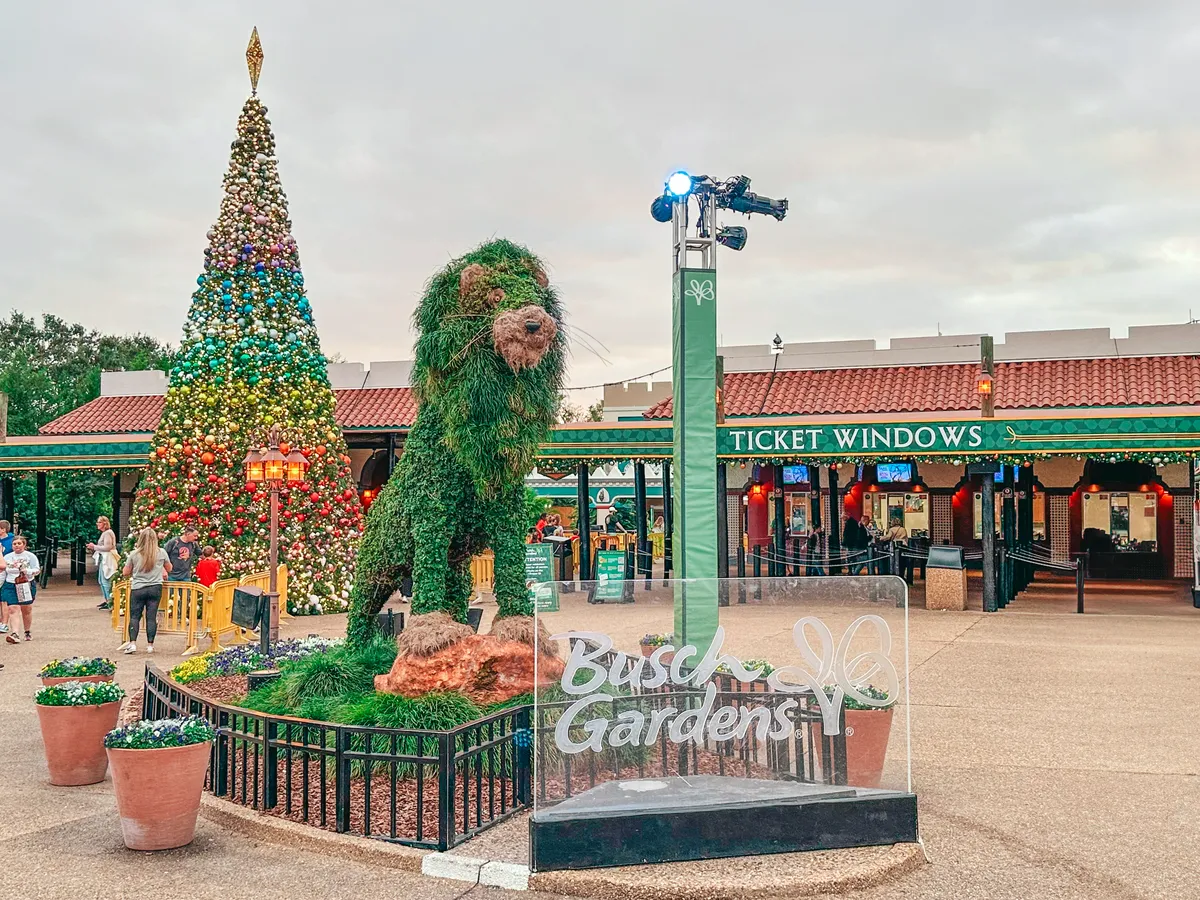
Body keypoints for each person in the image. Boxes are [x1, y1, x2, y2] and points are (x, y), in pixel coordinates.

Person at [119, 528, 171, 655]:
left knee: (135, 616)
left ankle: (132, 644)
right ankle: (150, 645)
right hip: (155, 587)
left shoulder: (134, 554)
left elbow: (125, 572)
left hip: (138, 587)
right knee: (151, 616)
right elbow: (169, 568)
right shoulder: (161, 552)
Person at [3, 536, 42, 643]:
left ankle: (27, 631)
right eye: (14, 544)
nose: (17, 546)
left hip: (26, 583)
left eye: (19, 543)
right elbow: (3, 571)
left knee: (26, 609)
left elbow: (37, 570)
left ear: (24, 545)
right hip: (11, 583)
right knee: (12, 608)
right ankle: (15, 633)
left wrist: (27, 571)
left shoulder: (30, 556)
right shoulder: (7, 557)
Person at [87, 516, 119, 610]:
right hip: (103, 558)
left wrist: (94, 547)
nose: (97, 524)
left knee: (106, 580)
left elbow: (108, 547)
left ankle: (110, 601)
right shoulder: (105, 533)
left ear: (104, 524)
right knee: (101, 580)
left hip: (107, 558)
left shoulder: (108, 533)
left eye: (99, 522)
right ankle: (107, 600)